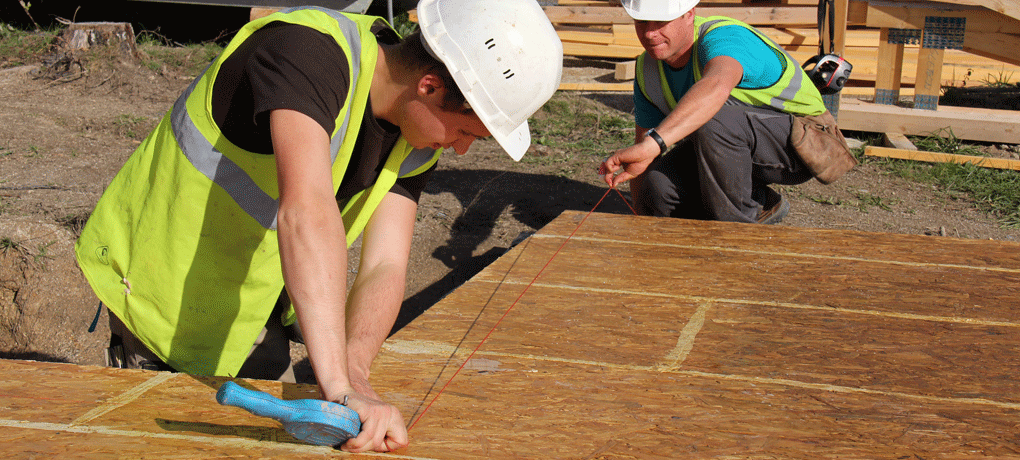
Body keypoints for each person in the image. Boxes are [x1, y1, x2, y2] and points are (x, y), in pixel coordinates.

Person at [74, 0, 562, 452]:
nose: (460, 149)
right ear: (430, 85)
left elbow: (385, 264)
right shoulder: (306, 53)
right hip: (161, 291)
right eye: (464, 131)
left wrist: (354, 373)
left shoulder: (415, 131)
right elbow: (305, 213)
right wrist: (340, 387)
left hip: (251, 307)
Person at [599, 0, 854, 224]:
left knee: (715, 121)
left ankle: (736, 233)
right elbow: (642, 152)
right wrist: (641, 224)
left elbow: (716, 85)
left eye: (661, 21)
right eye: (642, 21)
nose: (650, 32)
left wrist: (654, 143)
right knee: (658, 187)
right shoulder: (648, 68)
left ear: (689, 14)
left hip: (805, 144)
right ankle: (758, 203)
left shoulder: (725, 38)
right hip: (729, 146)